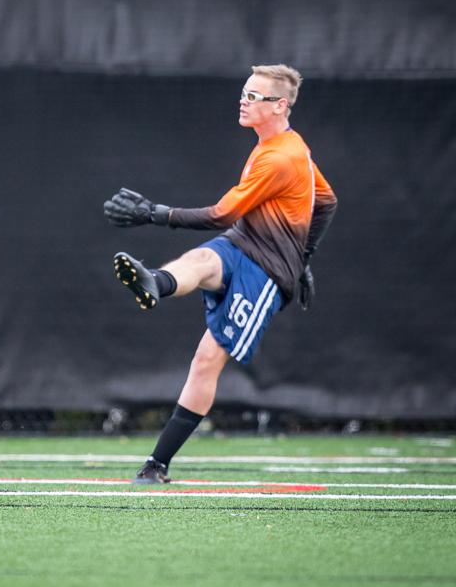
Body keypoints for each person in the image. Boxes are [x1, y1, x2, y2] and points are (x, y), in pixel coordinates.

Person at [103, 64, 337, 484]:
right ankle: (155, 282)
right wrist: (308, 255)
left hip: (267, 272)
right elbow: (327, 200)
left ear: (280, 106)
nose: (244, 101)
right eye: (244, 93)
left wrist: (153, 214)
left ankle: (157, 465)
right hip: (241, 244)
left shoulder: (283, 157)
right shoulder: (281, 144)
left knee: (207, 359)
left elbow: (222, 214)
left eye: (254, 96)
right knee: (202, 263)